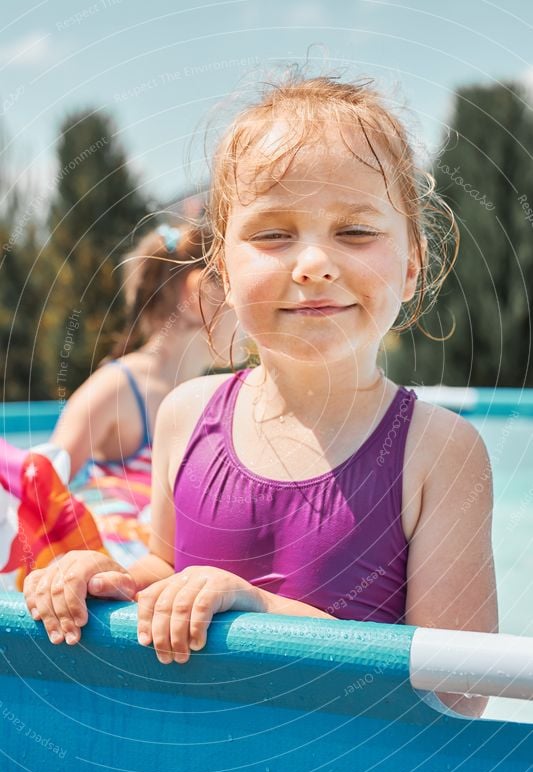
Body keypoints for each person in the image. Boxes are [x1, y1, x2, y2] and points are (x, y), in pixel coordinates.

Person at [24, 74, 498, 717]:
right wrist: (107, 579)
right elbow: (168, 576)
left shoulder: (441, 452)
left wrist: (259, 608)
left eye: (355, 232)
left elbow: (462, 690)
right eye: (273, 235)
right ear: (221, 267)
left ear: (413, 264)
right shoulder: (185, 416)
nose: (312, 264)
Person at [51, 221, 227, 480]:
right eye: (232, 291)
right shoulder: (116, 388)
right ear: (200, 295)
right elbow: (39, 492)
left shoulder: (214, 397)